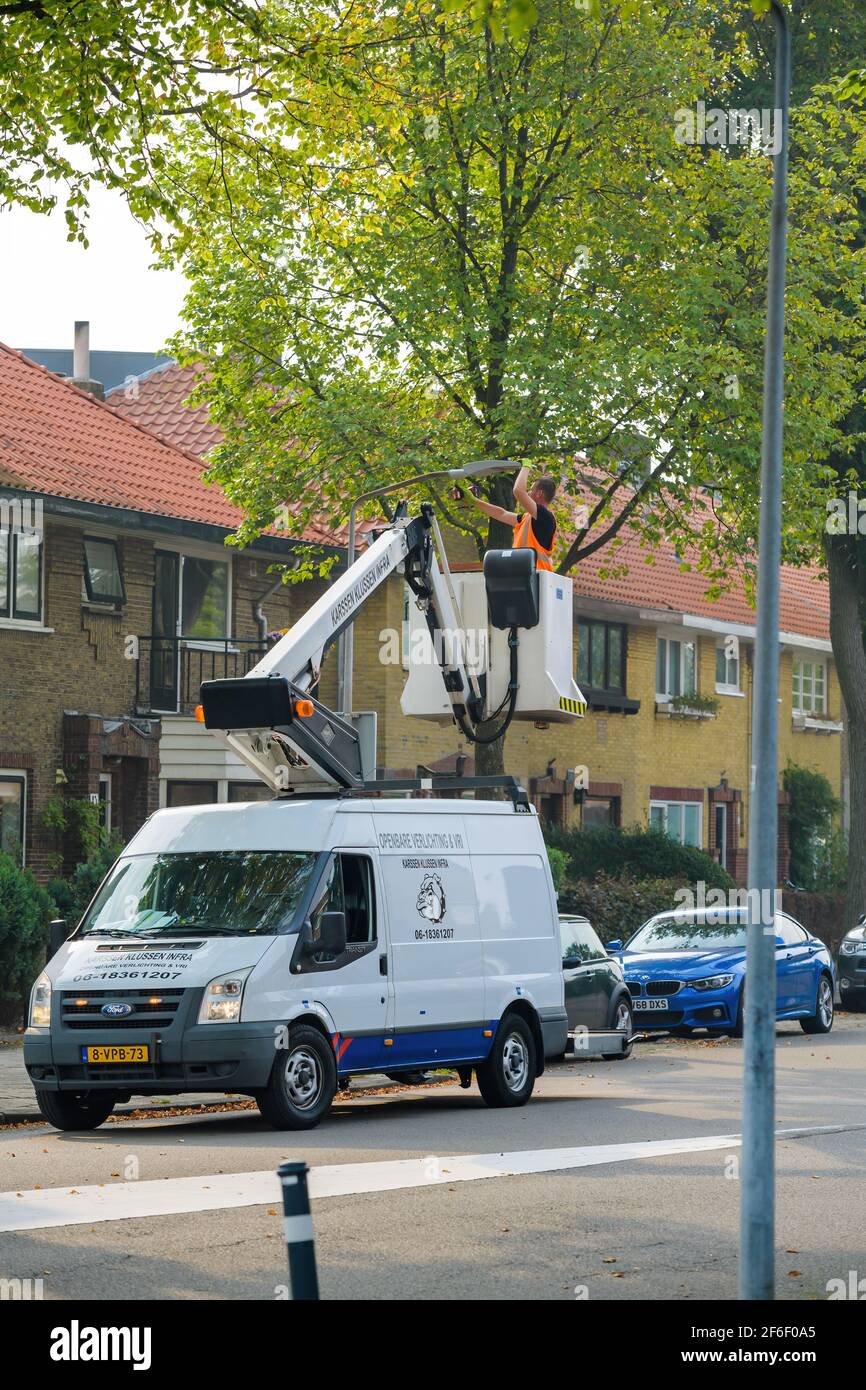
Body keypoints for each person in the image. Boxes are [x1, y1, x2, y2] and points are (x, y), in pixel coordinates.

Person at [468, 464, 557, 571]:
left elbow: (518, 491)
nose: (528, 492)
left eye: (531, 489)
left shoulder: (545, 516)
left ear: (539, 493)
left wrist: (526, 467)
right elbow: (501, 514)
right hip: (525, 574)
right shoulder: (527, 518)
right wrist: (474, 501)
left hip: (537, 577)